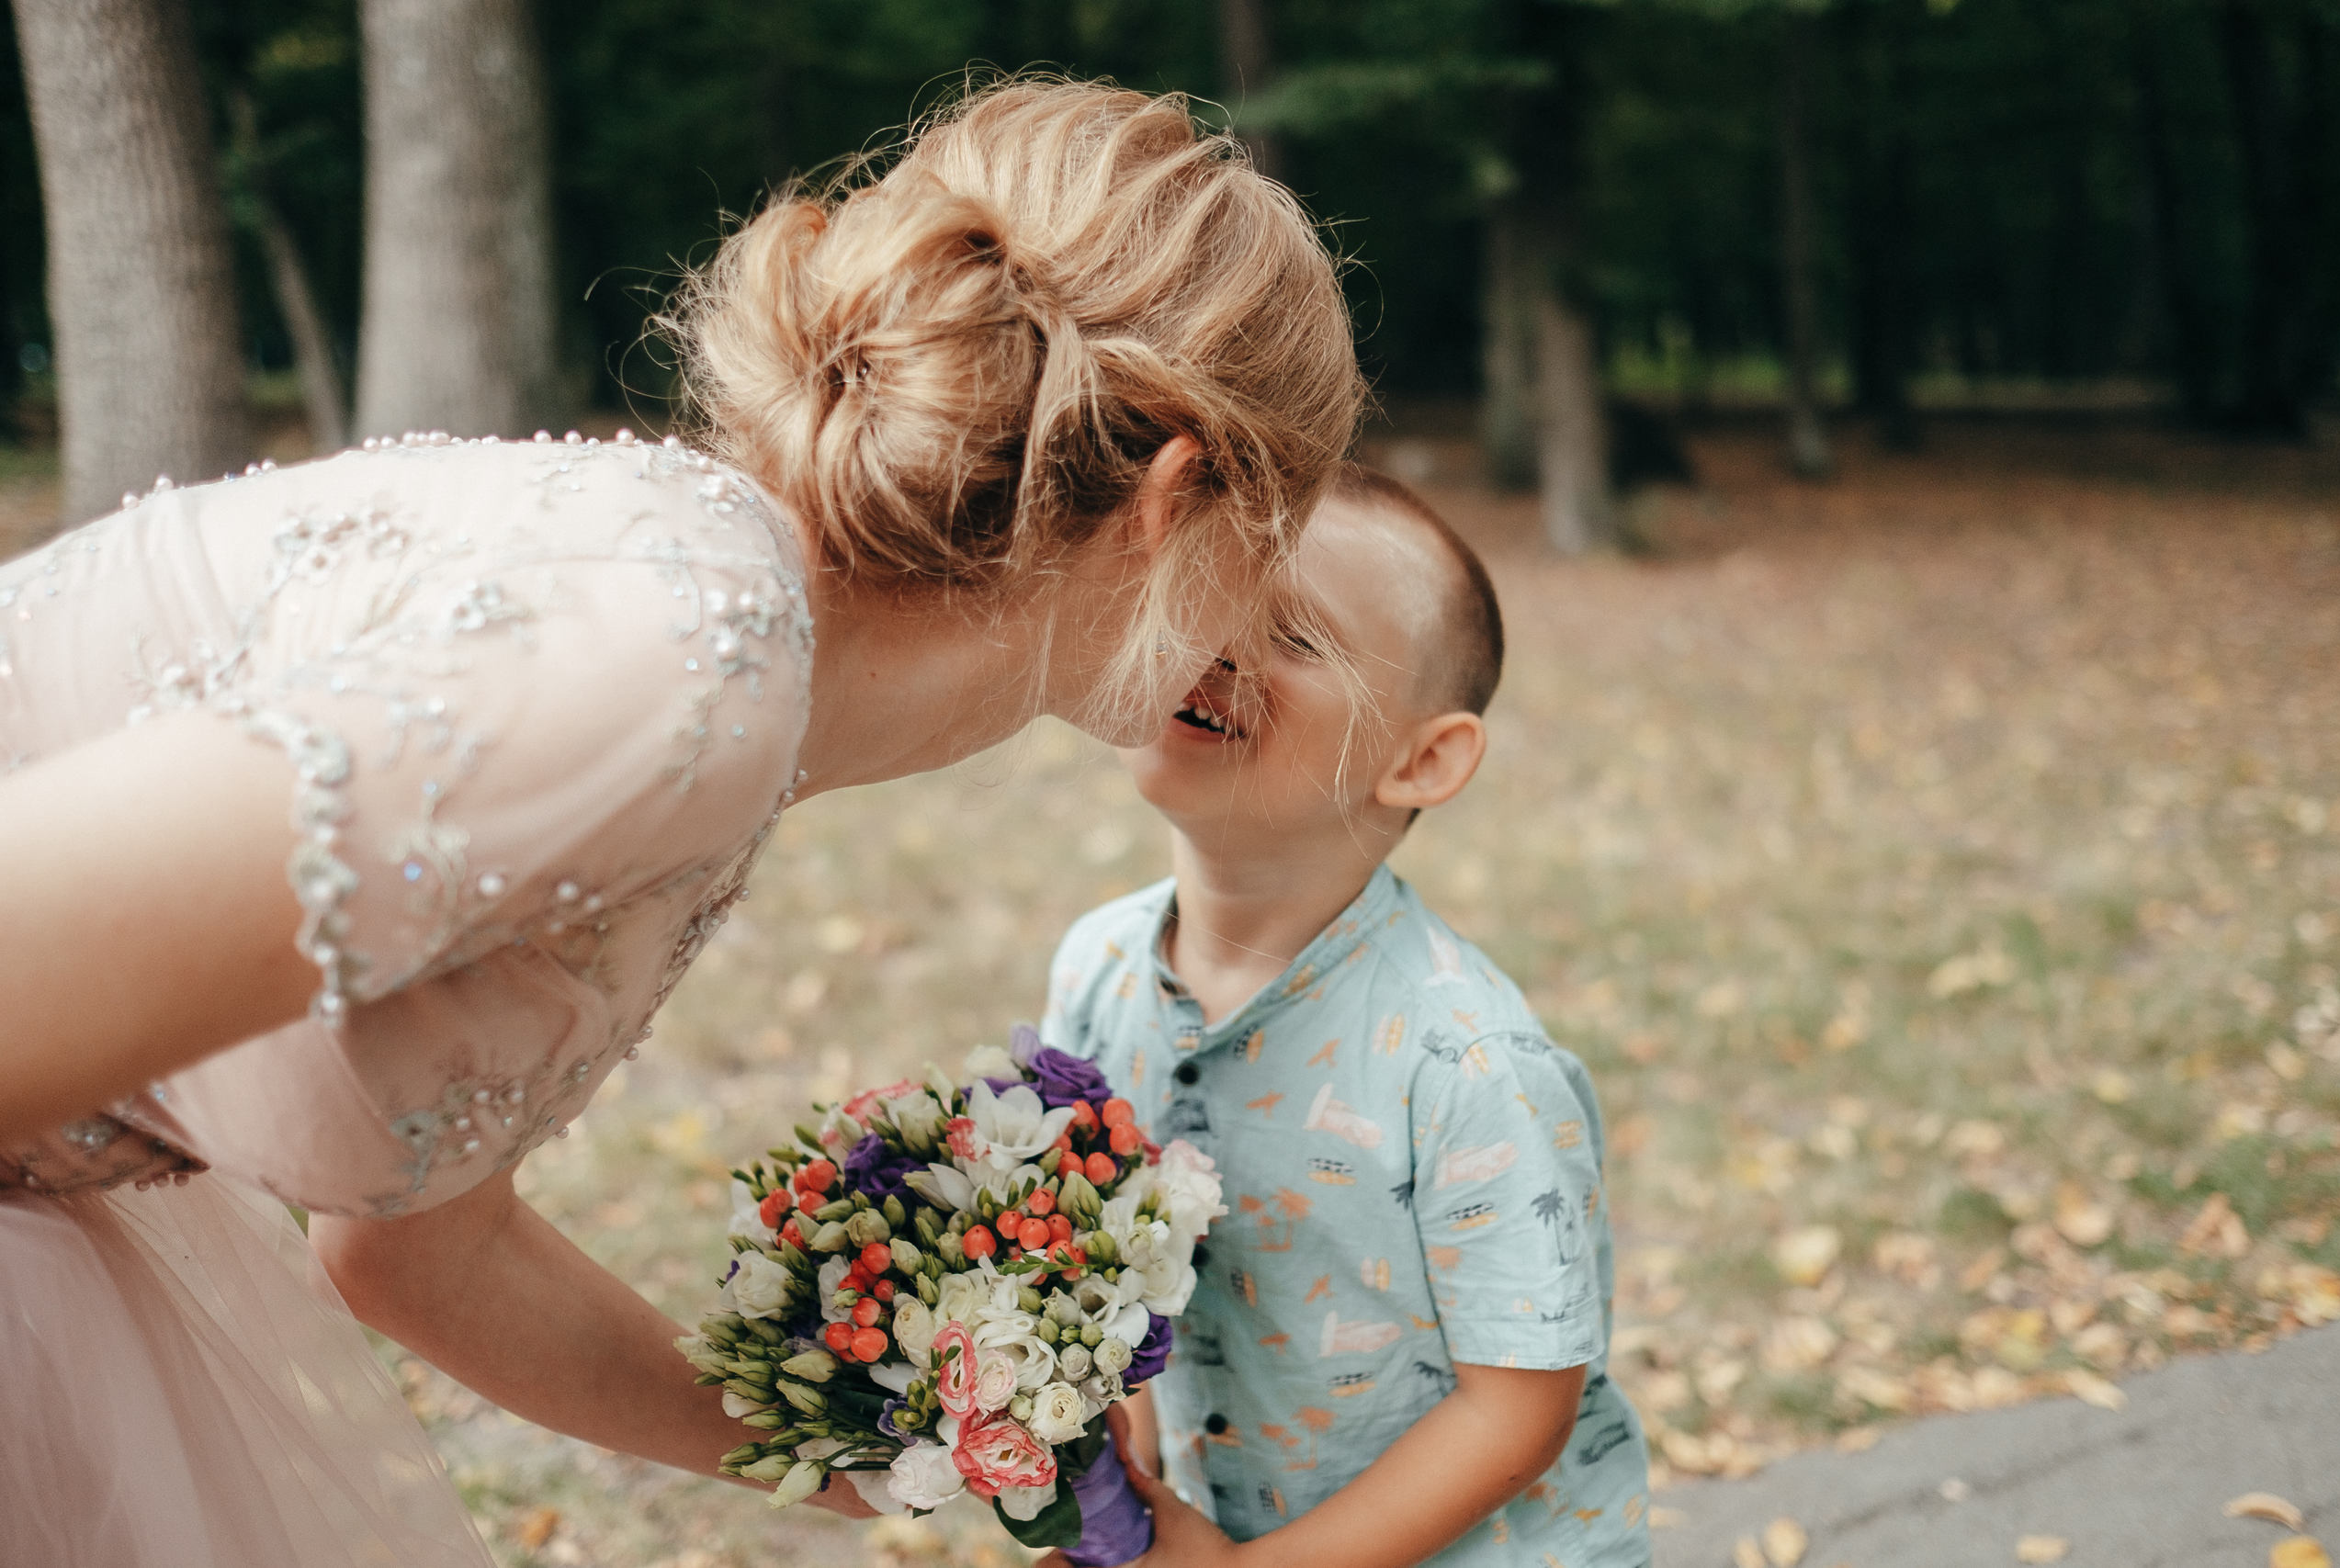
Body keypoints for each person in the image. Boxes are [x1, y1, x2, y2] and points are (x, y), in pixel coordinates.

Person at [0, 80, 1362, 1568]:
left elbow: (420, 1252)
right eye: (1279, 541)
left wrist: (896, 1444)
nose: (1263, 621)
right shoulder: (676, 658)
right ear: (1172, 499)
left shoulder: (737, 658)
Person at [1038, 466, 1651, 1567]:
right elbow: (1097, 1269)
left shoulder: (1466, 1064)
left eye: (1294, 635)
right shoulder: (1096, 970)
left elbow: (1517, 1410)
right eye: (1200, 593)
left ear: (1422, 760)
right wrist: (1114, 1493)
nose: (1215, 643)